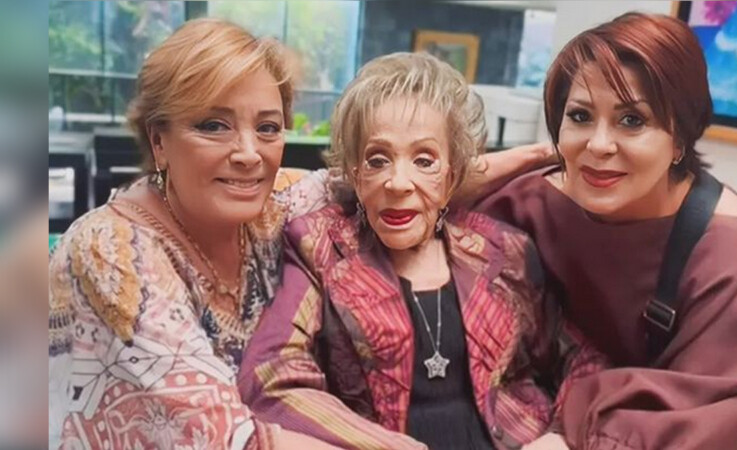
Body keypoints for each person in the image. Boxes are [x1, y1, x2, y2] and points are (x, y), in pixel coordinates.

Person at [238, 52, 609, 450]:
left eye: (424, 160)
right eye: (378, 160)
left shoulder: (504, 251)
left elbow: (581, 357)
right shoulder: (319, 246)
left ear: (452, 176)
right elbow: (271, 379)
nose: (398, 183)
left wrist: (561, 434)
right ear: (356, 174)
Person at [48, 18, 340, 449]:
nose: (249, 154)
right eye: (213, 126)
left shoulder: (272, 209)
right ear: (159, 142)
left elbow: (375, 182)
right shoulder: (111, 251)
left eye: (267, 128)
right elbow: (235, 440)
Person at [477, 12, 737, 449]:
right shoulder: (527, 205)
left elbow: (714, 414)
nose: (599, 145)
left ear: (680, 138)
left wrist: (571, 434)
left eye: (632, 121)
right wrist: (467, 177)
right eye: (580, 116)